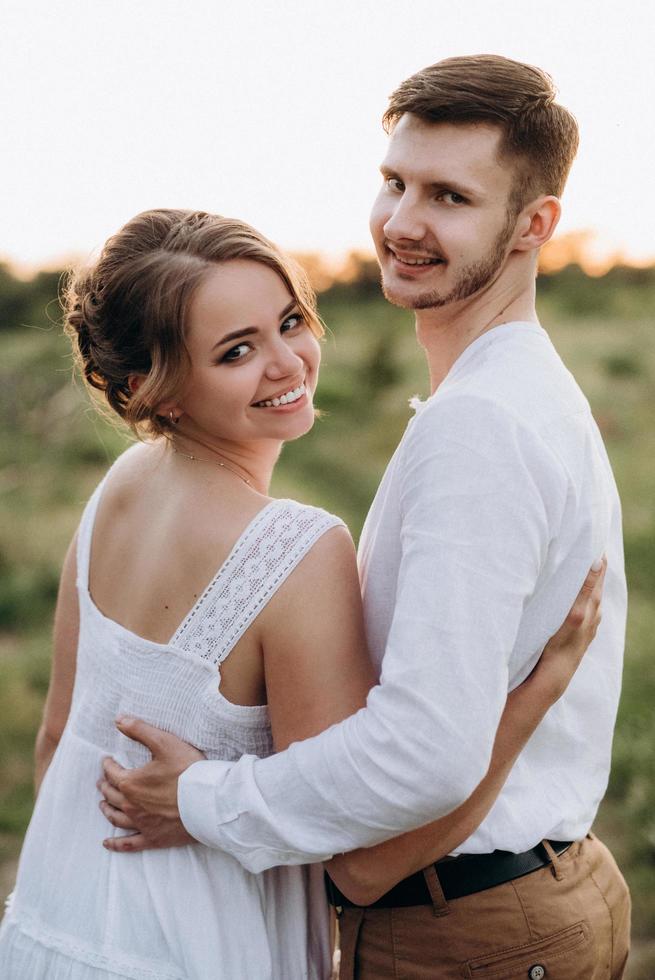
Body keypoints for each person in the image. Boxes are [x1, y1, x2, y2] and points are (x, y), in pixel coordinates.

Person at [97, 56, 631, 978]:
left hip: (466, 932)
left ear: (533, 226)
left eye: (449, 197)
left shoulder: (481, 427)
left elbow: (424, 752)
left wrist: (202, 799)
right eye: (394, 182)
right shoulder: (508, 392)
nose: (402, 223)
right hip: (507, 903)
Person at [0, 208, 602, 980]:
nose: (287, 362)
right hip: (202, 949)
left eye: (289, 321)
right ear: (153, 389)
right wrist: (536, 693)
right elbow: (366, 863)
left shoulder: (117, 488)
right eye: (236, 351)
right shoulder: (295, 550)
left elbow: (57, 742)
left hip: (56, 925)